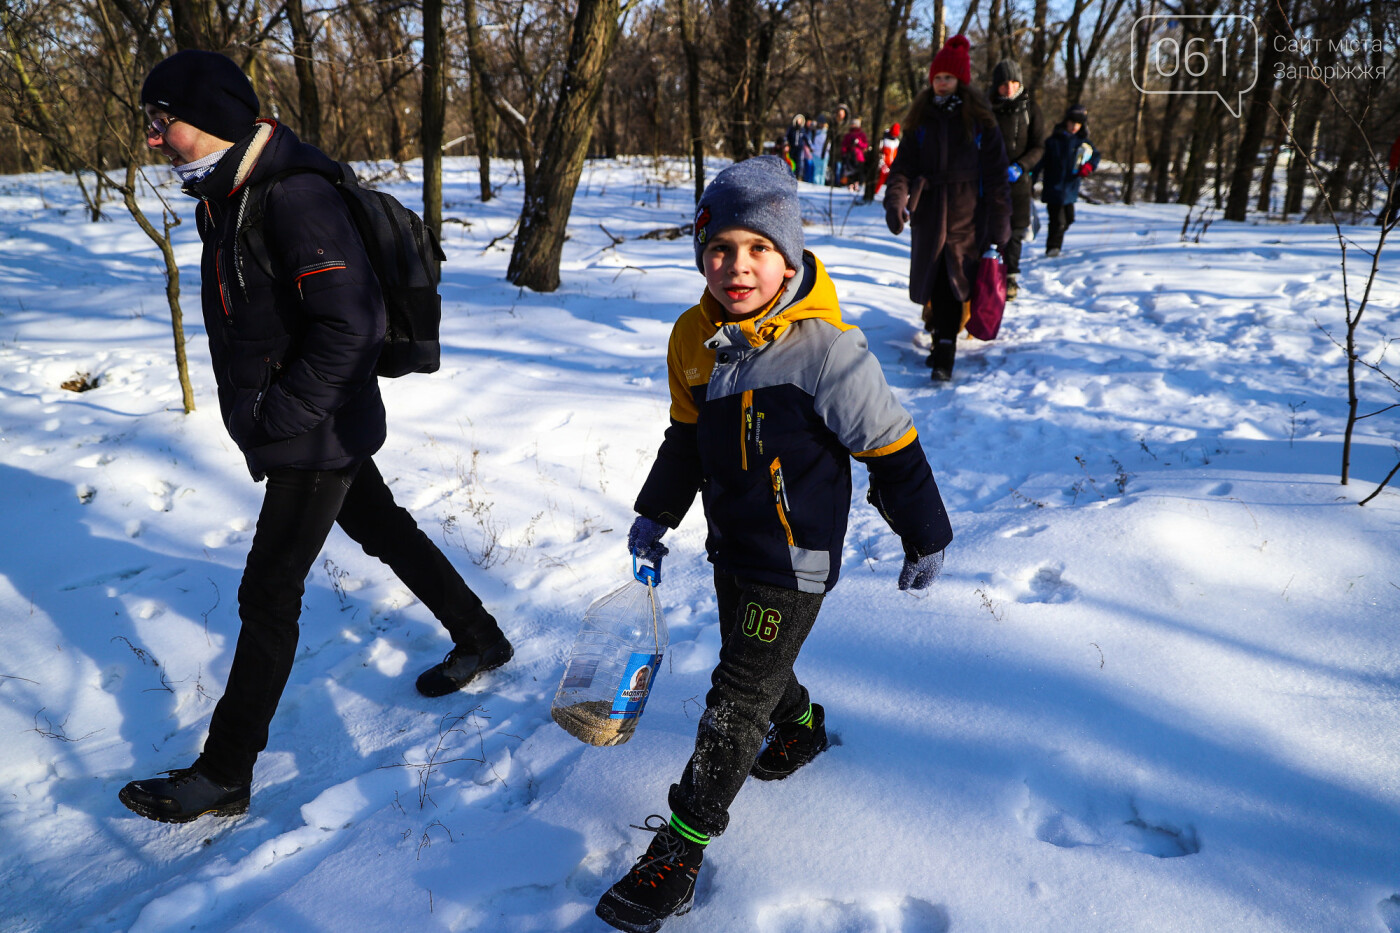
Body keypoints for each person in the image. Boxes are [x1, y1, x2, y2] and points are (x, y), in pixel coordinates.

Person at [118, 50, 513, 824]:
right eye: (153, 124)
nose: (156, 139)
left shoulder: (292, 199)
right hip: (313, 421)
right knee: (386, 530)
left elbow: (351, 323)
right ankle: (482, 635)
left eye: (165, 123)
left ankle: (226, 771)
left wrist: (282, 416)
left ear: (217, 121)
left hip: (315, 431)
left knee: (268, 594)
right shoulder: (227, 195)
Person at [594, 156, 952, 933]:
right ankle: (797, 726)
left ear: (788, 256)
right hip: (734, 547)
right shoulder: (693, 339)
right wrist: (656, 513)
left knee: (735, 696)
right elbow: (685, 441)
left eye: (759, 249)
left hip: (796, 559)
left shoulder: (825, 348)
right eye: (721, 248)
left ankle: (680, 851)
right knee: (752, 667)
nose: (738, 267)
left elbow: (890, 445)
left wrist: (923, 534)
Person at [884, 34, 1011, 382]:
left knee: (956, 282)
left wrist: (1001, 223)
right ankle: (942, 341)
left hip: (968, 216)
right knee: (936, 280)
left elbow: (997, 176)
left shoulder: (981, 122)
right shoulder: (920, 120)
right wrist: (896, 200)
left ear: (961, 81)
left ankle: (945, 352)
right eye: (937, 77)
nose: (941, 84)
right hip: (927, 216)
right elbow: (902, 167)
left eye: (948, 78)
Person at [988, 60, 1044, 300]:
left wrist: (1022, 166)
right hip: (991, 180)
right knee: (991, 229)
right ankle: (989, 273)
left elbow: (1039, 146)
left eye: (1013, 83)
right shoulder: (986, 109)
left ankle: (1010, 277)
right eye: (1003, 84)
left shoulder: (1031, 110)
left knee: (1016, 230)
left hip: (1019, 182)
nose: (1008, 89)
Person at [1037, 103, 1100, 257]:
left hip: (1071, 189)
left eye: (1078, 124)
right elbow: (1040, 162)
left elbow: (1096, 156)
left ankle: (1055, 242)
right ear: (1066, 121)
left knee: (1069, 219)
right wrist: (1031, 180)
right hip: (1054, 188)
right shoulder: (1053, 141)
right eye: (1072, 123)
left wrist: (1089, 167)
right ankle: (1053, 248)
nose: (1074, 127)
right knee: (1057, 221)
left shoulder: (1082, 142)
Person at [839, 117, 870, 188]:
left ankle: (857, 184)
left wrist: (858, 142)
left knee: (858, 172)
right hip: (850, 157)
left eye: (853, 124)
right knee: (849, 172)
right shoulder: (848, 135)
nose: (852, 125)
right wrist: (844, 154)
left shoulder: (862, 134)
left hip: (859, 157)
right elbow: (844, 145)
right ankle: (850, 184)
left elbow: (865, 145)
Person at [826, 103, 851, 185]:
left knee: (839, 167)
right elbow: (829, 137)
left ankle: (838, 182)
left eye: (842, 113)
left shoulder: (846, 125)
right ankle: (832, 182)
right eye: (839, 113)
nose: (840, 115)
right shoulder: (833, 124)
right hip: (834, 150)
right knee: (833, 167)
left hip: (842, 150)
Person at [875, 122, 901, 195]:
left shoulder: (896, 142)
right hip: (884, 163)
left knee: (892, 180)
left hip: (892, 164)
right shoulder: (884, 140)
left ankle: (889, 194)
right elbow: (880, 153)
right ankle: (875, 192)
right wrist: (882, 163)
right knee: (881, 179)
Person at [785, 113, 811, 181]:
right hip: (792, 147)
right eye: (798, 120)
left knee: (798, 162)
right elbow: (786, 137)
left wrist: (810, 146)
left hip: (799, 148)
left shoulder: (802, 130)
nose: (799, 121)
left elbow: (806, 138)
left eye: (800, 120)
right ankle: (789, 174)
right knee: (791, 161)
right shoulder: (791, 129)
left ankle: (797, 176)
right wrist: (786, 144)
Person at [807, 114, 829, 185]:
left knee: (822, 172)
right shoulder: (815, 132)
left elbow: (828, 145)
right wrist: (812, 148)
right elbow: (812, 142)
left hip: (824, 155)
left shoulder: (827, 133)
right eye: (820, 123)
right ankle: (816, 185)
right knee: (816, 171)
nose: (821, 125)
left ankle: (821, 185)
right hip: (816, 154)